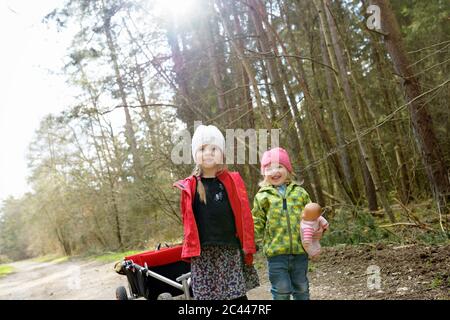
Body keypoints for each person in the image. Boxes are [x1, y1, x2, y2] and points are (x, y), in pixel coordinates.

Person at [173, 124, 259, 300]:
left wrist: (247, 244)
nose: (208, 152)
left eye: (214, 148)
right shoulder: (190, 186)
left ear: (222, 154)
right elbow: (187, 222)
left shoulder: (232, 181)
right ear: (195, 154)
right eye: (202, 148)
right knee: (206, 297)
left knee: (235, 296)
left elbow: (244, 215)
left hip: (229, 248)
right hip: (202, 253)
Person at [252, 147, 312, 300]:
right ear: (264, 173)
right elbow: (257, 221)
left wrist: (318, 227)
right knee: (281, 290)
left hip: (300, 250)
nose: (274, 171)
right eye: (269, 168)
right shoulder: (262, 196)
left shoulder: (300, 192)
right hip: (276, 253)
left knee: (302, 287)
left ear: (288, 169)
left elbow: (310, 215)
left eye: (279, 166)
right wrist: (249, 239)